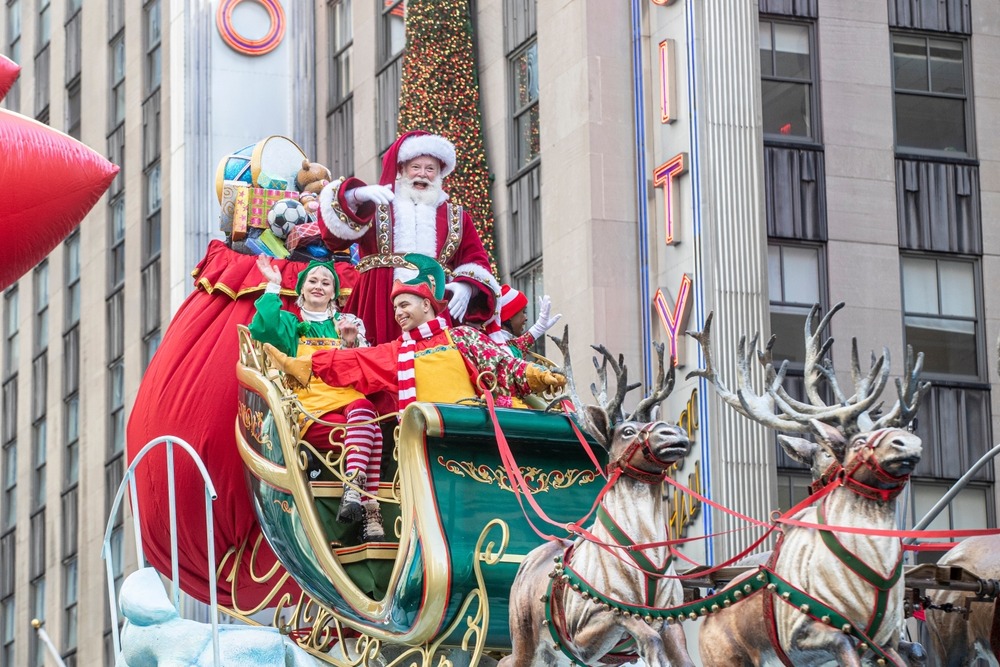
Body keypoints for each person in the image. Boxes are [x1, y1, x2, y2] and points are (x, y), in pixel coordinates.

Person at [262, 255, 566, 418]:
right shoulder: (397, 351)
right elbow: (353, 362)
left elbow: (502, 365)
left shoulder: (461, 337)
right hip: (424, 444)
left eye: (404, 305)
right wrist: (302, 366)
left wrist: (538, 376)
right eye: (395, 307)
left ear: (426, 304)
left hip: (473, 430)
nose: (398, 313)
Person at [315, 130, 499, 345]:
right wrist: (355, 196)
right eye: (415, 167)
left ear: (440, 173)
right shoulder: (377, 203)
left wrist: (467, 286)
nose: (422, 174)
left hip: (435, 302)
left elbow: (476, 259)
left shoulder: (455, 216)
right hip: (377, 298)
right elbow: (335, 239)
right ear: (401, 169)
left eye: (430, 169)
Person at [248, 255, 385, 542]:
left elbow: (364, 370)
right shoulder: (289, 323)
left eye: (326, 282)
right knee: (371, 430)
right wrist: (272, 287)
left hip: (349, 403)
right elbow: (262, 330)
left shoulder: (347, 324)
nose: (319, 286)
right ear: (301, 289)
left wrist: (350, 344)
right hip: (311, 409)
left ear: (334, 293)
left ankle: (354, 489)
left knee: (365, 411)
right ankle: (368, 506)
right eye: (313, 281)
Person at [496, 285, 562, 359]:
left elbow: (518, 346)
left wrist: (539, 327)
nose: (526, 318)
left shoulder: (506, 343)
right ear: (510, 315)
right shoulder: (495, 347)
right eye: (523, 312)